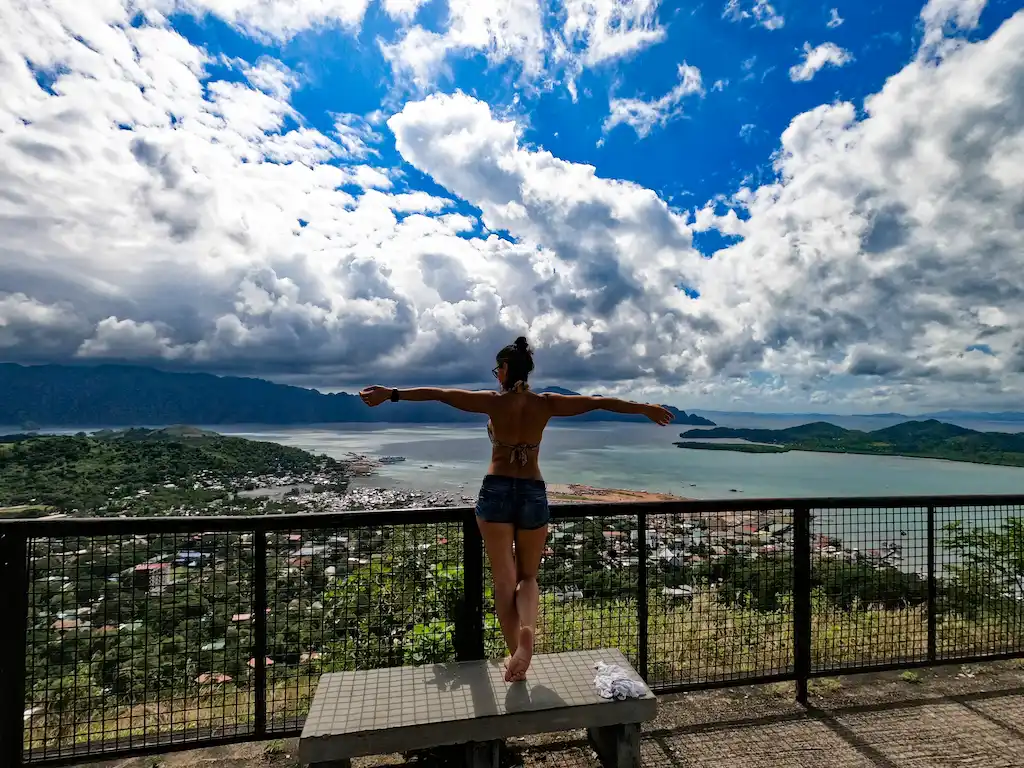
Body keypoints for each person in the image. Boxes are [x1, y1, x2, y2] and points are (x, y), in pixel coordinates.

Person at [358, 337, 674, 682]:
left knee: (503, 582)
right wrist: (645, 408)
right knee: (528, 577)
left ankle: (517, 655)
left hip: (496, 492)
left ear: (505, 370)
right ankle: (526, 632)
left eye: (498, 369)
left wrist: (391, 393)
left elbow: (440, 393)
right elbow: (599, 403)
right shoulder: (547, 404)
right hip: (532, 492)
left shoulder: (493, 403)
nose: (496, 375)